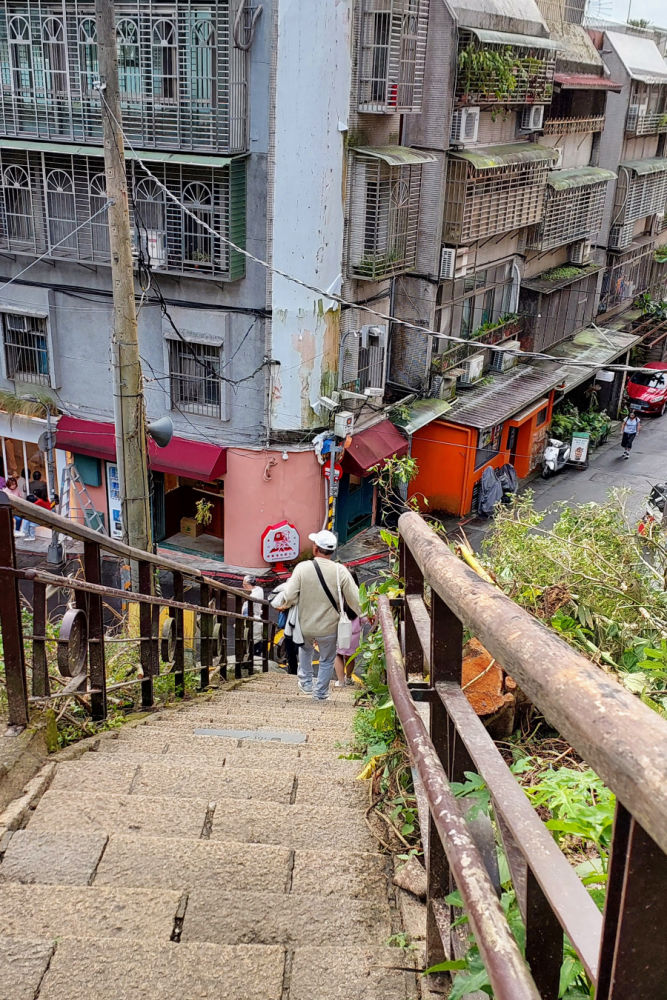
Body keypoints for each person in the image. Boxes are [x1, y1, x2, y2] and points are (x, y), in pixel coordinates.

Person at [274, 529, 361, 701]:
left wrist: (284, 604)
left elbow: (290, 595)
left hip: (304, 624)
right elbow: (355, 599)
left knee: (305, 650)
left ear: (315, 549)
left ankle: (306, 683)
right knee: (327, 659)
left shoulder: (302, 568)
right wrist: (367, 615)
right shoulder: (340, 571)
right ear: (332, 550)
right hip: (328, 626)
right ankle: (320, 692)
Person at [334, 568, 363, 687]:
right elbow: (365, 618)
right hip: (354, 634)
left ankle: (341, 681)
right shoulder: (360, 597)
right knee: (350, 657)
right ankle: (349, 678)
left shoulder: (337, 596)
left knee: (338, 655)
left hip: (340, 631)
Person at [242, 574, 265, 658]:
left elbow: (246, 610)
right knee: (256, 639)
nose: (243, 586)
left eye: (244, 585)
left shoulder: (253, 596)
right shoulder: (259, 590)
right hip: (257, 617)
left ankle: (254, 658)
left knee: (253, 640)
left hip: (254, 619)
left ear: (248, 585)